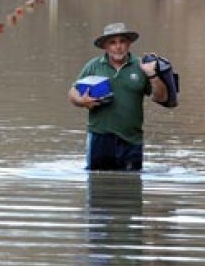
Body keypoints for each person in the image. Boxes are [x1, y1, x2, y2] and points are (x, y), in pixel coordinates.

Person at [67, 22, 168, 171]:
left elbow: (162, 98)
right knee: (97, 186)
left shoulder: (142, 67)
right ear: (105, 47)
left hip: (132, 139)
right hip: (99, 137)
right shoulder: (93, 66)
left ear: (129, 44)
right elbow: (72, 93)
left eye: (122, 41)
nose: (118, 46)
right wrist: (82, 101)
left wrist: (153, 75)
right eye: (112, 42)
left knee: (131, 188)